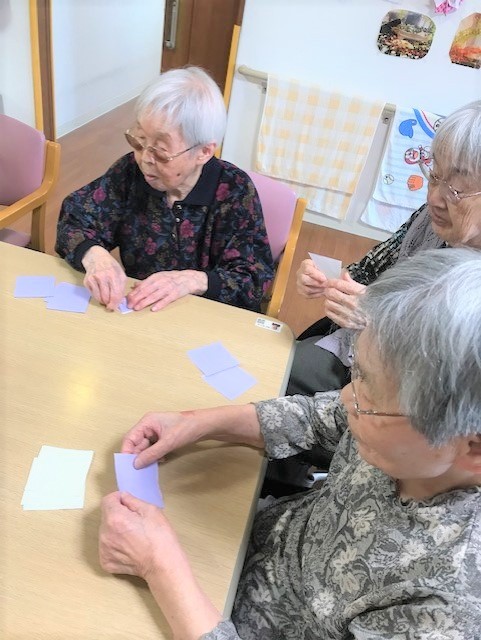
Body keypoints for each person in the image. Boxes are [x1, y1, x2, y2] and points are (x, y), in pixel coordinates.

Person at [99, 247, 481, 640]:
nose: (346, 396)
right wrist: (195, 423)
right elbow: (318, 417)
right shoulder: (406, 437)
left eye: (370, 398)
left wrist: (160, 566)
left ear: (473, 449)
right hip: (249, 550)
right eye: (357, 374)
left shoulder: (446, 608)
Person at [288, 99, 481, 397]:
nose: (434, 198)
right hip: (360, 350)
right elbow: (367, 271)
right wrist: (328, 280)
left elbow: (451, 373)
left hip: (411, 393)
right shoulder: (427, 220)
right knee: (280, 363)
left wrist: (380, 319)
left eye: (456, 189)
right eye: (434, 176)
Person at [55, 66, 274, 313]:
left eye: (160, 150)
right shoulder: (130, 173)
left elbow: (254, 280)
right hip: (143, 312)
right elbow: (74, 218)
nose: (144, 159)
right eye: (139, 141)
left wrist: (193, 280)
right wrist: (95, 256)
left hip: (209, 318)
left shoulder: (234, 190)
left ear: (203, 152)